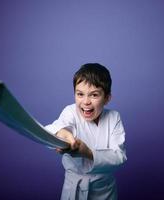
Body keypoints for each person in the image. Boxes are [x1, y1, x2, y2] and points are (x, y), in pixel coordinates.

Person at [45, 63, 127, 200]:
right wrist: (62, 135)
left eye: (94, 95)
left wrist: (87, 152)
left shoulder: (114, 117)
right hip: (74, 189)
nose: (86, 101)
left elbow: (119, 157)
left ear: (107, 98)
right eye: (80, 94)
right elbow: (55, 128)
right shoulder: (70, 112)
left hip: (105, 191)